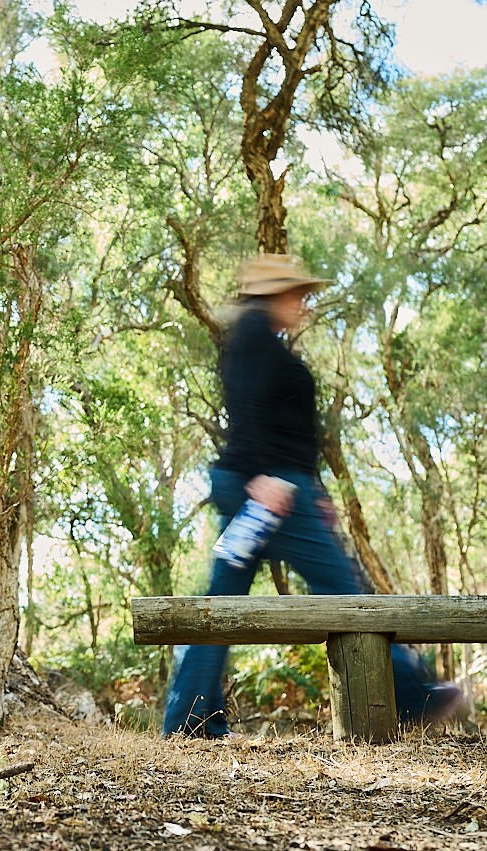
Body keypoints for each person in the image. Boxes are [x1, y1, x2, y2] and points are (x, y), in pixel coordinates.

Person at [163, 253, 467, 739]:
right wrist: (266, 478)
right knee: (342, 594)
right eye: (297, 295)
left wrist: (313, 485)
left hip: (269, 486)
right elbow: (249, 410)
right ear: (273, 296)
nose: (304, 304)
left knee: (221, 607)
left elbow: (282, 425)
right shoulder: (253, 343)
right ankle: (411, 694)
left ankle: (190, 720)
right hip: (272, 490)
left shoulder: (257, 341)